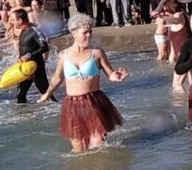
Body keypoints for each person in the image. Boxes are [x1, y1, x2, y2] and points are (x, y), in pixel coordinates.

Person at [42, 19, 128, 153]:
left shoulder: (97, 53)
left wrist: (116, 77)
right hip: (72, 105)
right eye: (85, 32)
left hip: (94, 102)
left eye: (90, 32)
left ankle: (101, 167)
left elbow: (110, 74)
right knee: (79, 150)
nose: (89, 35)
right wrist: (47, 93)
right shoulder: (63, 55)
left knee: (98, 147)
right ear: (74, 33)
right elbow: (57, 78)